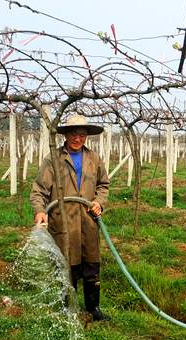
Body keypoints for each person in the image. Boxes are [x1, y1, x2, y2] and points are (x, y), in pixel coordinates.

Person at [30, 114, 110, 321]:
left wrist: (99, 202)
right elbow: (39, 190)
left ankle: (93, 308)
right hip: (63, 222)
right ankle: (68, 311)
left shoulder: (94, 158)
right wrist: (40, 210)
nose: (78, 138)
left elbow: (103, 185)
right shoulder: (54, 160)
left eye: (82, 134)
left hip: (89, 222)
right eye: (74, 134)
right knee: (68, 267)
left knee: (92, 267)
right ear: (65, 135)